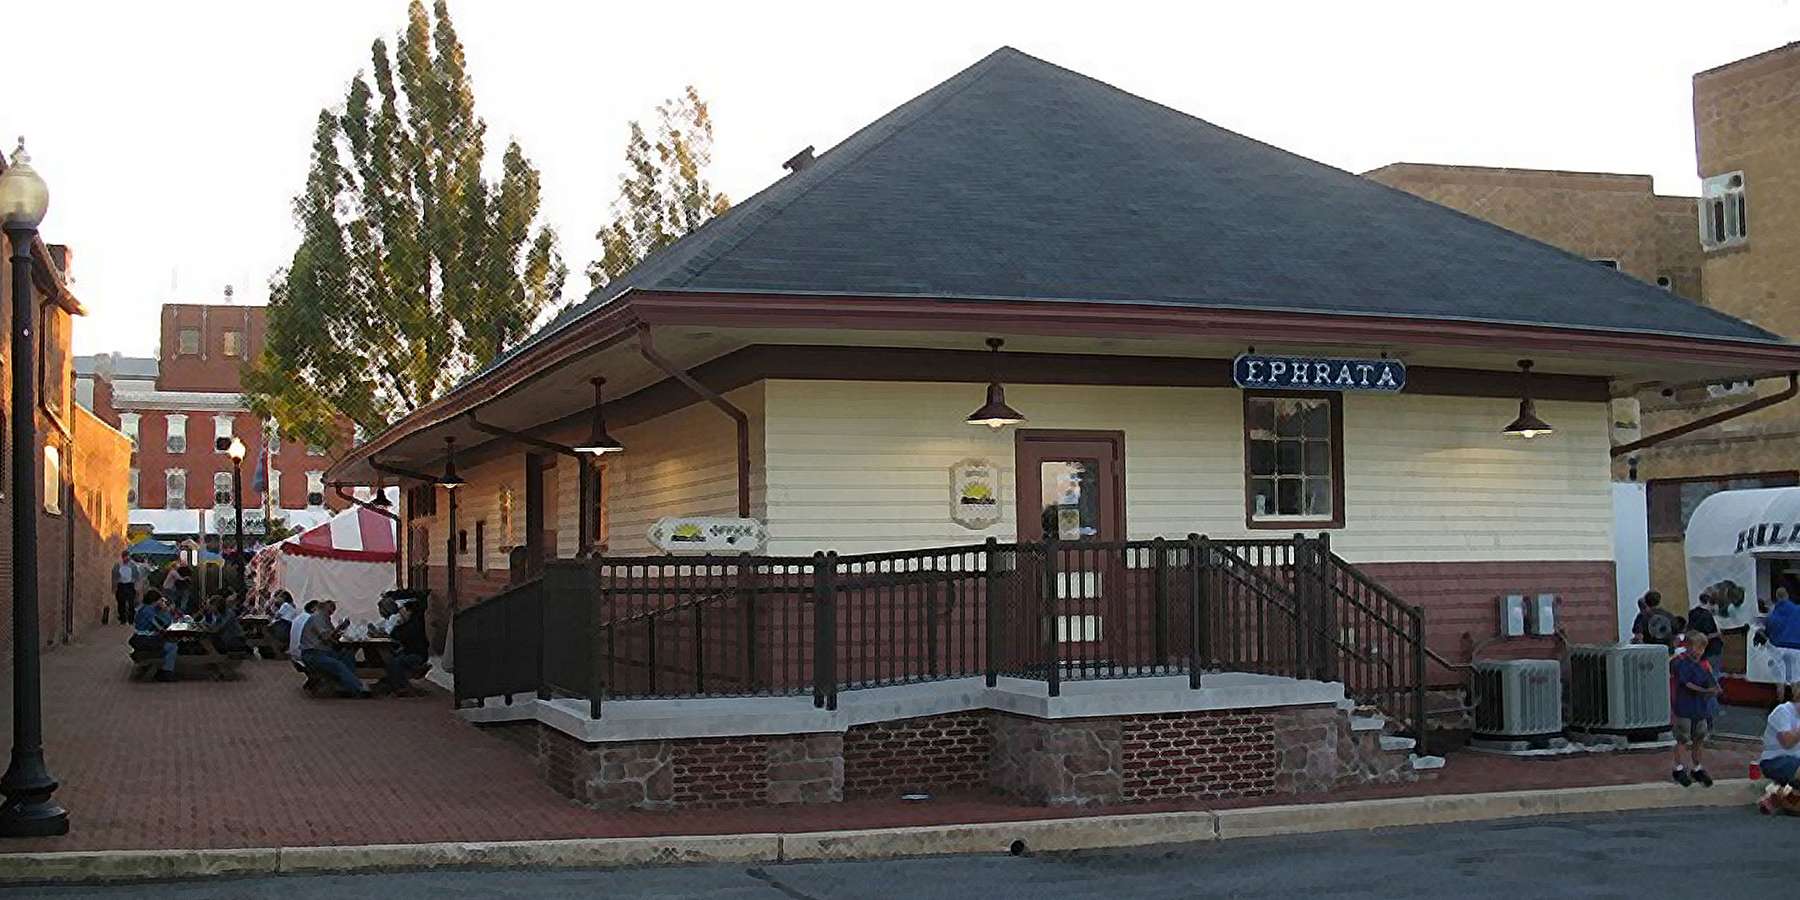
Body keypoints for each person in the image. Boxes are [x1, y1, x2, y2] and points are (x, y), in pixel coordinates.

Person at [1671, 630, 1722, 787]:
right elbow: (1687, 684)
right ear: (1687, 647)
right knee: (1683, 738)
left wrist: (1716, 688)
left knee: (1699, 738)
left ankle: (1697, 767)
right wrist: (1706, 691)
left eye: (1702, 648)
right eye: (1697, 648)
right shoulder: (1682, 663)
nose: (1700, 652)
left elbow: (1711, 681)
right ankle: (1679, 768)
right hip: (1685, 707)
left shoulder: (1704, 665)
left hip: (1700, 708)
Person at [297, 600, 369, 698]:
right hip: (313, 654)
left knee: (348, 655)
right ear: (324, 608)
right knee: (337, 664)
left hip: (323, 652)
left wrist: (341, 629)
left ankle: (349, 685)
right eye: (331, 610)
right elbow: (326, 638)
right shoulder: (318, 618)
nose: (332, 612)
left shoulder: (325, 618)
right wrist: (339, 628)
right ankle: (358, 688)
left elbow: (332, 638)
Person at [1758, 690, 1800, 815]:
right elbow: (1787, 742)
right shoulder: (1783, 711)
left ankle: (1779, 795)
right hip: (1775, 761)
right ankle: (1782, 796)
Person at [376, 598, 429, 696]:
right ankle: (394, 684)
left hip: (417, 656)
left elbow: (399, 635)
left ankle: (401, 687)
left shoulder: (413, 624)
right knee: (390, 658)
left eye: (403, 611)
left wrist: (396, 628)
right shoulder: (409, 623)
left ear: (409, 611)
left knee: (394, 662)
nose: (400, 614)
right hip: (410, 652)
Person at [129, 591, 178, 682]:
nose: (162, 602)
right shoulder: (149, 610)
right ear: (155, 600)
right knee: (172, 646)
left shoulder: (144, 608)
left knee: (170, 642)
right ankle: (167, 673)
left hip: (139, 639)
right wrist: (166, 611)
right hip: (144, 640)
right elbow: (162, 626)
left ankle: (167, 669)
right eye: (160, 600)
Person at [1762, 587, 1800, 703]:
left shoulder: (1773, 613)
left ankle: (1780, 704)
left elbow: (1768, 631)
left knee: (1780, 680)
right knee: (1795, 679)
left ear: (1777, 597)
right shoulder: (1798, 609)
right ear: (1787, 596)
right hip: (1796, 647)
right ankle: (1796, 705)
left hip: (1778, 648)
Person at [1688, 592, 1725, 675]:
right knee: (1713, 673)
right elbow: (1707, 634)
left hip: (1697, 648)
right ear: (1709, 603)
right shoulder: (1707, 615)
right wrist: (1718, 634)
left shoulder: (1692, 613)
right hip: (1711, 648)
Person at [113, 550, 138, 626]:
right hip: (121, 585)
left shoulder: (133, 566)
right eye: (125, 557)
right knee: (121, 603)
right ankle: (123, 620)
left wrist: (136, 586)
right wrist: (114, 587)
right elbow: (114, 576)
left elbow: (136, 576)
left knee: (131, 603)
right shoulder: (117, 565)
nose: (127, 558)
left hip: (130, 585)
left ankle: (131, 620)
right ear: (122, 557)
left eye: (128, 557)